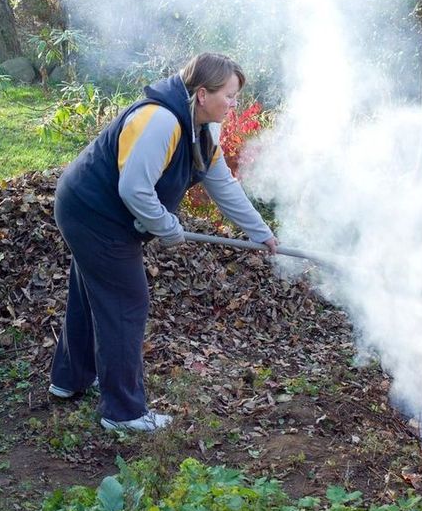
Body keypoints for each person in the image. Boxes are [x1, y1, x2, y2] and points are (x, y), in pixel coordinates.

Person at [50, 52, 278, 433]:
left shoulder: (202, 130)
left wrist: (260, 232)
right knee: (126, 301)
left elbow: (222, 185)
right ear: (202, 94)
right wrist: (166, 225)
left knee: (90, 292)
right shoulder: (160, 121)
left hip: (91, 209)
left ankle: (69, 379)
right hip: (94, 215)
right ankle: (123, 412)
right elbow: (134, 188)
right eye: (230, 95)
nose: (234, 104)